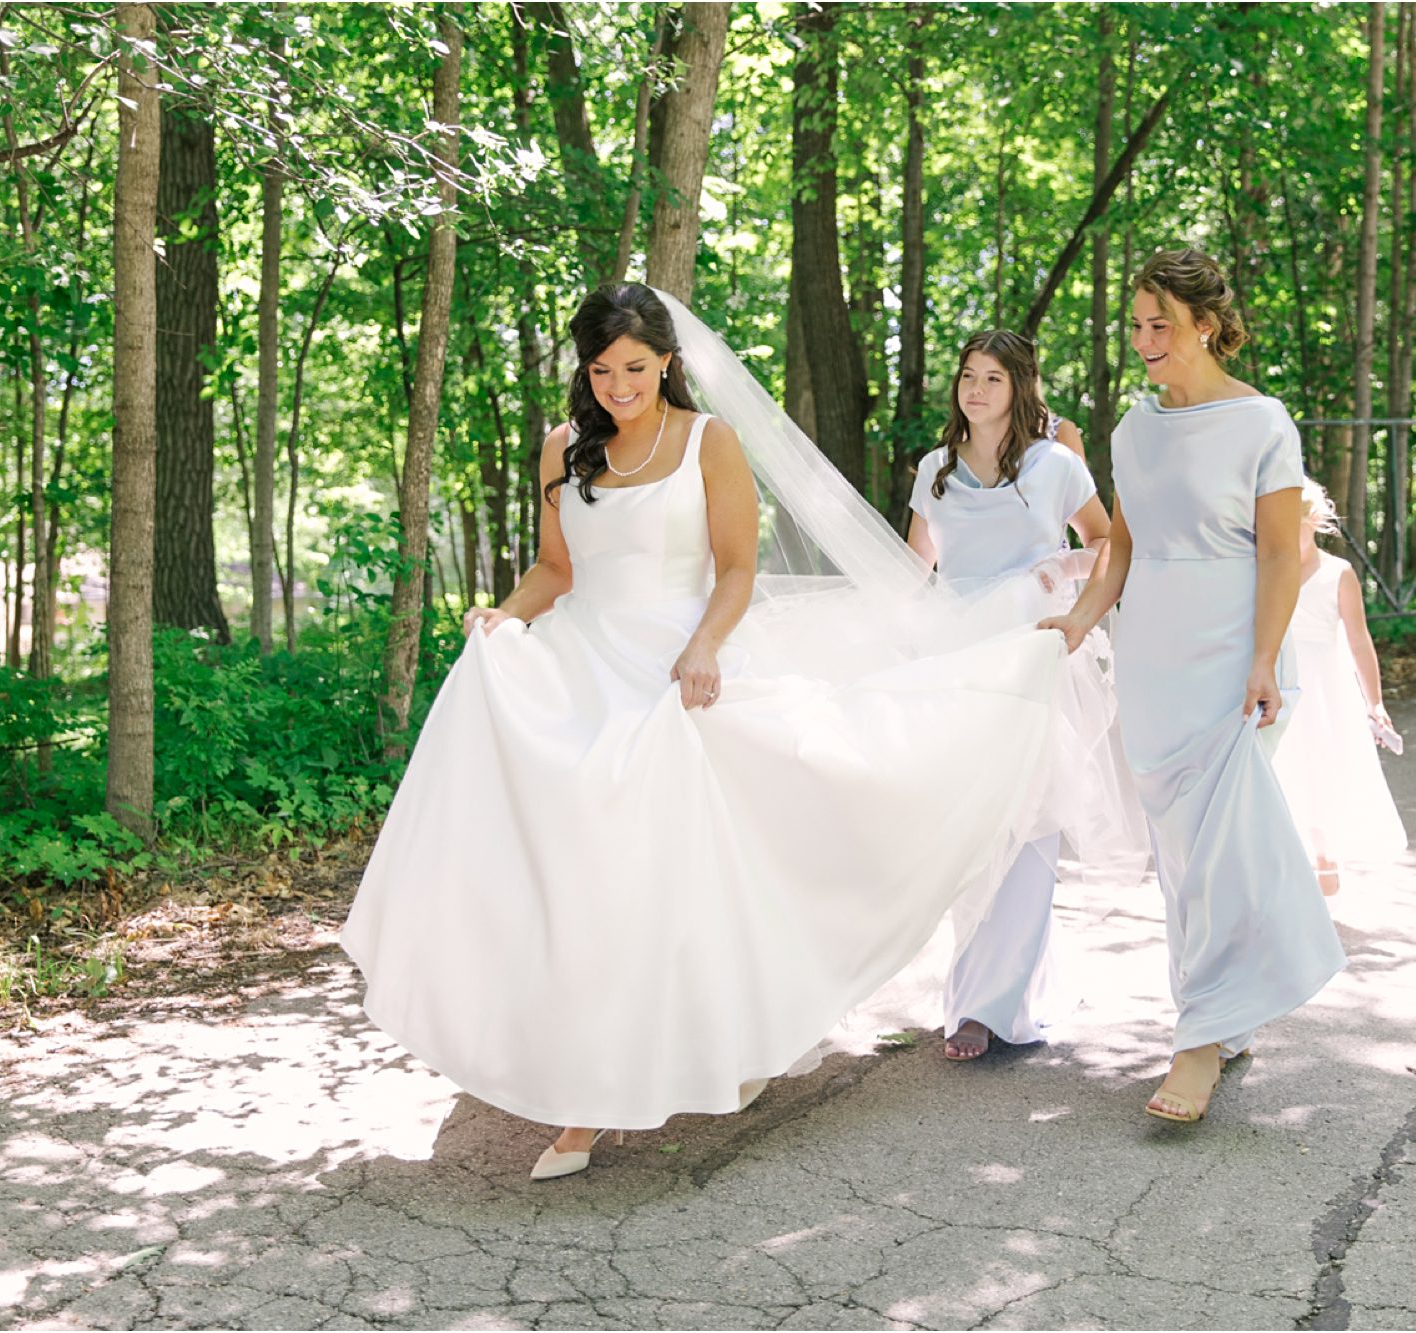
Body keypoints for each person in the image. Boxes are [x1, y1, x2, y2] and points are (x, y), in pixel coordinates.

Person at [340, 284, 1066, 1180]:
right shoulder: (563, 448)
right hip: (581, 666)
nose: (618, 386)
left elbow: (736, 569)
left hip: (679, 665)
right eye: (601, 371)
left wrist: (703, 645)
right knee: (568, 867)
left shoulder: (707, 442)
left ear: (667, 363)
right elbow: (556, 567)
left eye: (635, 368)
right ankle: (578, 1064)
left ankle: (619, 1087)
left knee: (670, 868)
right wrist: (506, 615)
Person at [1042, 248, 1345, 1124]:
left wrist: (1264, 656)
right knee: (1181, 854)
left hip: (1235, 652)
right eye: (1137, 325)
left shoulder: (1262, 423)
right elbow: (1123, 549)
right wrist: (1081, 618)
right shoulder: (1132, 430)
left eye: (1161, 325)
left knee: (1220, 846)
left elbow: (1281, 553)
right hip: (1152, 656)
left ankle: (1199, 1040)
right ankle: (1225, 1010)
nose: (1145, 341)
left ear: (1205, 326)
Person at [904, 330, 1126, 1062]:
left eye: (992, 378)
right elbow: (914, 565)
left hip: (1032, 653)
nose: (975, 389)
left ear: (1020, 387)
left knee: (1029, 821)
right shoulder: (935, 468)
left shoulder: (1055, 465)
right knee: (973, 826)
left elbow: (1106, 544)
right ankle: (1002, 985)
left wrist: (1058, 569)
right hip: (957, 659)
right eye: (968, 375)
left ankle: (987, 1008)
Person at [1271, 481, 1408, 895]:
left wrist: (1375, 702)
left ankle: (1325, 861)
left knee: (1320, 768)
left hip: (1323, 688)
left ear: (1314, 520)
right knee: (1280, 769)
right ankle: (1284, 869)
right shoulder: (1268, 569)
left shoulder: (1338, 574)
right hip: (1277, 678)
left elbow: (1359, 641)